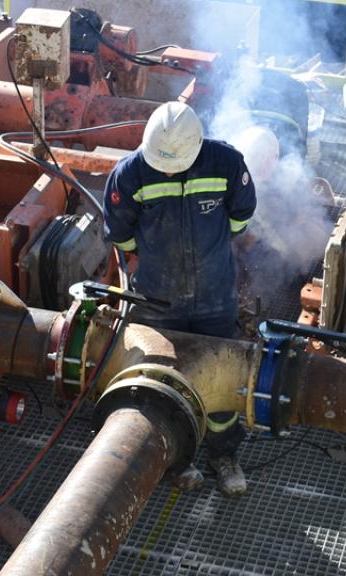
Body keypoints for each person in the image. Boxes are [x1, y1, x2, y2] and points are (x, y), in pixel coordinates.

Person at [103, 101, 257, 497]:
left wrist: (212, 251)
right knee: (160, 378)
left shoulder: (224, 163)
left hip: (214, 296)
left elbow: (242, 214)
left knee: (221, 375)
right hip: (159, 300)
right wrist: (157, 261)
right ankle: (176, 459)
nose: (166, 169)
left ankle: (223, 455)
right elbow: (120, 234)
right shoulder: (130, 174)